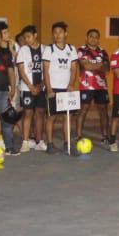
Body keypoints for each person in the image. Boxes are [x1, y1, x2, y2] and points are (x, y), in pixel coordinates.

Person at [76, 28, 115, 150]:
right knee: (83, 110)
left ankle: (105, 136)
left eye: (96, 37)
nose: (93, 39)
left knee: (103, 110)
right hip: (86, 85)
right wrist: (99, 65)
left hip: (101, 86)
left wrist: (92, 65)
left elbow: (107, 68)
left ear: (98, 39)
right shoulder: (81, 50)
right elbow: (85, 65)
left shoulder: (103, 51)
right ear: (87, 38)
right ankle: (78, 136)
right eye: (91, 36)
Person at [41, 21, 77, 151]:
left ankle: (67, 144)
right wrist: (49, 89)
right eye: (55, 33)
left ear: (65, 33)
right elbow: (45, 71)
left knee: (67, 117)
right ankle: (50, 144)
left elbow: (73, 69)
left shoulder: (71, 49)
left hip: (66, 89)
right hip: (53, 89)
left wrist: (71, 84)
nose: (57, 35)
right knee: (51, 117)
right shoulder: (49, 50)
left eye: (60, 32)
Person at [15, 25, 46, 151]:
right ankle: (25, 142)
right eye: (25, 37)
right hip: (27, 88)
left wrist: (41, 85)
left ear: (35, 35)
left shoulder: (45, 49)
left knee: (40, 113)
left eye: (28, 36)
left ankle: (39, 141)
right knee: (28, 113)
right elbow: (21, 70)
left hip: (41, 88)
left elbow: (48, 70)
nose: (27, 39)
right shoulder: (23, 50)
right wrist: (31, 86)